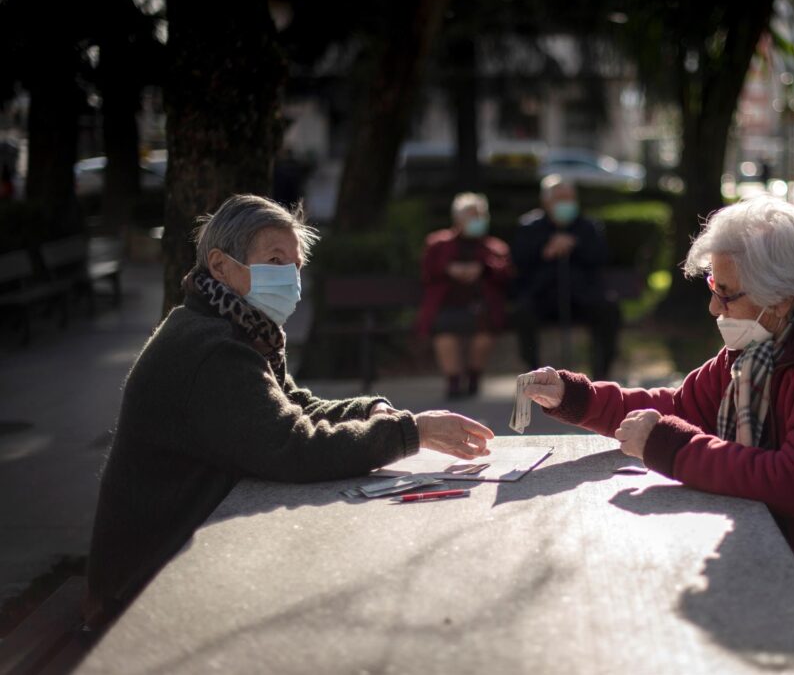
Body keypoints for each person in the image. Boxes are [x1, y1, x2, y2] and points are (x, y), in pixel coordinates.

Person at [523, 196, 794, 665]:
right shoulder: (758, 346)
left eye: (727, 291)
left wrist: (673, 448)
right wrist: (579, 399)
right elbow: (680, 406)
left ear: (782, 296)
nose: (714, 304)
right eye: (714, 284)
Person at [86, 194, 493, 627]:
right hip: (143, 591)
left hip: (180, 558)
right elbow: (291, 445)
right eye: (275, 260)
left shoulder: (233, 325)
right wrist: (412, 433)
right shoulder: (214, 350)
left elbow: (295, 405)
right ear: (222, 267)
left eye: (296, 265)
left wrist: (372, 408)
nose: (290, 278)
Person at [511, 174, 621, 380]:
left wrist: (575, 245)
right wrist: (545, 250)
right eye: (559, 199)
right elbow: (519, 260)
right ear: (546, 201)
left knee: (608, 310)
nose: (565, 204)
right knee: (523, 312)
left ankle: (601, 375)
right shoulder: (530, 227)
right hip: (543, 296)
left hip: (582, 296)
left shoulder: (588, 227)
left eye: (569, 198)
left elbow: (601, 257)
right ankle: (535, 373)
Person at [416, 193, 511, 399]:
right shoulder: (438, 244)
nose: (477, 220)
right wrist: (449, 270)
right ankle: (453, 381)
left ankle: (474, 377)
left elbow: (505, 273)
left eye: (480, 215)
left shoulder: (494, 247)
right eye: (471, 215)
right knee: (445, 329)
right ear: (457, 219)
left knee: (485, 331)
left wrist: (483, 270)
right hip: (447, 305)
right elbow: (427, 271)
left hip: (482, 307)